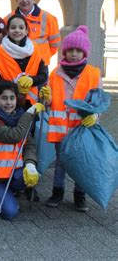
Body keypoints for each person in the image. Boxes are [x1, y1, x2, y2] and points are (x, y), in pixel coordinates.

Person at [43, 25, 102, 212]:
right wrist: (47, 98)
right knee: (61, 162)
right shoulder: (55, 73)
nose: (74, 54)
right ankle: (58, 192)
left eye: (78, 50)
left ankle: (79, 195)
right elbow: (50, 102)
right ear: (65, 52)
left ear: (84, 52)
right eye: (70, 50)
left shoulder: (93, 73)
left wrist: (94, 116)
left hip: (82, 128)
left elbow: (98, 101)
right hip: (61, 128)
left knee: (81, 162)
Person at [0, 81, 42, 220]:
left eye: (12, 98)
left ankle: (10, 191)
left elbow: (29, 144)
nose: (8, 102)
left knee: (32, 176)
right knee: (10, 213)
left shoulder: (19, 117)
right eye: (4, 98)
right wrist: (29, 115)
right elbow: (15, 136)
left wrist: (31, 164)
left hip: (13, 172)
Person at [0, 14, 48, 108]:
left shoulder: (35, 48)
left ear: (26, 31)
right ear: (8, 31)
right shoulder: (0, 51)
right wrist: (14, 87)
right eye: (13, 27)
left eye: (21, 28)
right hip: (7, 104)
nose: (17, 30)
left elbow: (43, 75)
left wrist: (31, 80)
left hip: (30, 104)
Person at [5, 0, 61, 65]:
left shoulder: (48, 18)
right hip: (16, 65)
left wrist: (43, 57)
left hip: (40, 65)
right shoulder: (8, 19)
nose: (25, 0)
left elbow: (55, 44)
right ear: (17, 0)